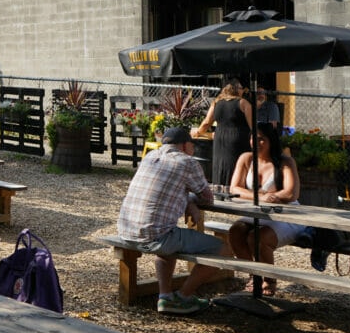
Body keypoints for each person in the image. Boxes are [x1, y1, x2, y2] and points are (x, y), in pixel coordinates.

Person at [117, 126, 225, 315]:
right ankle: (184, 296)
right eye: (192, 145)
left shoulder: (150, 157)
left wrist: (188, 201)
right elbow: (207, 198)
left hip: (127, 230)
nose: (194, 149)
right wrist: (191, 201)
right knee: (223, 249)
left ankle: (165, 297)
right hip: (156, 236)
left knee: (168, 238)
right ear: (184, 145)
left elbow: (169, 188)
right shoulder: (187, 162)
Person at [227, 122, 305, 297]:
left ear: (271, 141)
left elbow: (291, 193)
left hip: (286, 215)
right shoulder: (246, 159)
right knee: (235, 232)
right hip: (257, 211)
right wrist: (260, 197)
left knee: (258, 238)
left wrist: (273, 196)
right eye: (253, 138)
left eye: (261, 139)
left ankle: (270, 280)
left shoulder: (285, 162)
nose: (256, 142)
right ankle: (253, 275)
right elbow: (234, 188)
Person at [192, 79, 252, 186]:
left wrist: (198, 132)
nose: (243, 91)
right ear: (236, 89)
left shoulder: (216, 102)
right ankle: (235, 187)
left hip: (220, 139)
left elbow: (207, 122)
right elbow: (253, 126)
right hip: (239, 138)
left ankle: (220, 188)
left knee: (220, 164)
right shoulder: (243, 103)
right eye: (241, 88)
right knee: (236, 164)